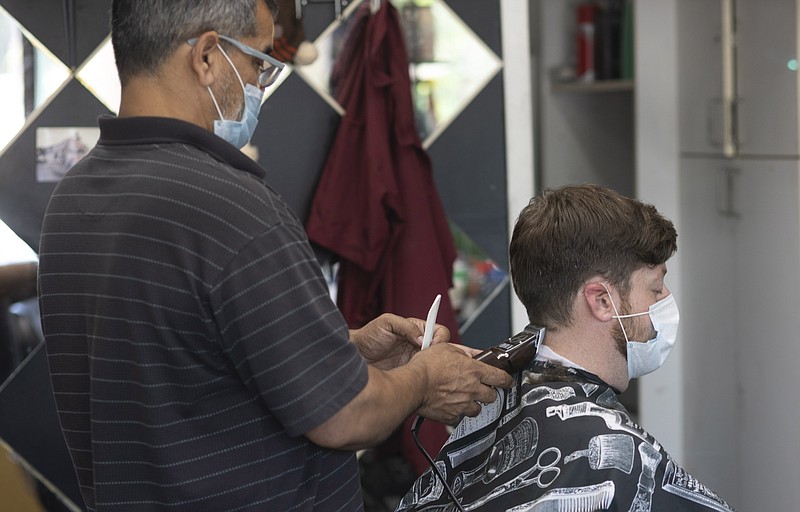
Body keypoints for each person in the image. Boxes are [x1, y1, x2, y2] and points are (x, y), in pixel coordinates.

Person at [36, 1, 513, 510]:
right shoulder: (231, 205)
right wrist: (421, 379)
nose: (262, 85)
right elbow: (344, 417)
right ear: (207, 57)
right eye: (259, 62)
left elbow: (187, 366)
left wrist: (343, 351)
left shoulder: (72, 200)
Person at [396, 184, 735, 511]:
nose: (666, 301)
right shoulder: (620, 456)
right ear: (602, 300)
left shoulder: (492, 392)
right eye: (656, 288)